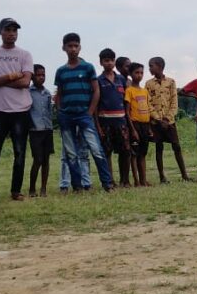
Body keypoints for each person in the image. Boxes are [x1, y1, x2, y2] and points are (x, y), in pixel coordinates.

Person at [0, 18, 33, 202]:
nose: (11, 33)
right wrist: (11, 76)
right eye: (7, 30)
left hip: (21, 110)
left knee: (19, 152)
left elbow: (26, 82)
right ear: (0, 32)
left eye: (14, 30)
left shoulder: (25, 55)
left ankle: (16, 191)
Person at [54, 33, 114, 191]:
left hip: (84, 115)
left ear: (80, 47)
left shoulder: (88, 68)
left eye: (76, 46)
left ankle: (107, 183)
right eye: (70, 46)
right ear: (64, 48)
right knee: (70, 152)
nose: (73, 49)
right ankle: (77, 185)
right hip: (66, 116)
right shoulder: (61, 71)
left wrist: (89, 112)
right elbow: (58, 94)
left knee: (95, 148)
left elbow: (96, 91)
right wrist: (60, 112)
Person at [145, 56, 191, 183]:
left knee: (176, 146)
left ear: (159, 66)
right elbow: (148, 103)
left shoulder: (171, 82)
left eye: (151, 65)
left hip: (169, 122)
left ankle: (184, 175)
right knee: (158, 148)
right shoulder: (148, 84)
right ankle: (162, 177)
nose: (149, 68)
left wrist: (167, 118)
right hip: (156, 122)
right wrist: (157, 119)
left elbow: (174, 102)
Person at [96, 48, 131, 187]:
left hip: (121, 121)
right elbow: (96, 105)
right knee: (107, 152)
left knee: (125, 151)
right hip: (105, 122)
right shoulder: (98, 80)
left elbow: (127, 101)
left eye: (111, 60)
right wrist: (98, 126)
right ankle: (110, 181)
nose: (109, 63)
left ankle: (125, 180)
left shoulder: (122, 79)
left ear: (114, 62)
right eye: (106, 61)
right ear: (101, 62)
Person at [28, 64, 54, 197]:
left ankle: (43, 189)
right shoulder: (28, 92)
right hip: (35, 130)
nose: (41, 77)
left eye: (43, 75)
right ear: (32, 76)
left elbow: (49, 111)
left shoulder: (47, 93)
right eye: (38, 75)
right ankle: (32, 189)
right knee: (37, 159)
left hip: (47, 129)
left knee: (46, 160)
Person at [124, 63, 151, 187]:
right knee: (134, 154)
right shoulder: (129, 91)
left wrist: (149, 127)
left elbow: (147, 109)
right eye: (136, 72)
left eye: (141, 73)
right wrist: (132, 129)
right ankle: (136, 181)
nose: (139, 75)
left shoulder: (144, 91)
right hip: (135, 125)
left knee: (143, 154)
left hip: (145, 125)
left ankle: (143, 179)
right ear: (131, 74)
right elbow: (127, 112)